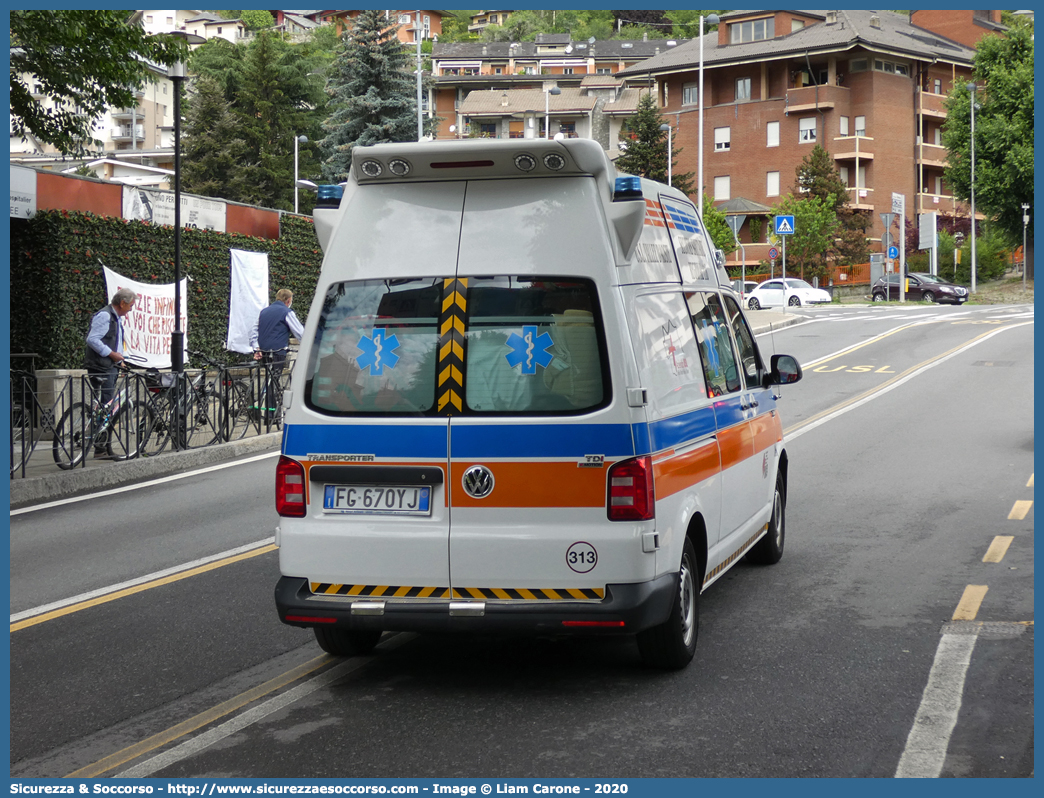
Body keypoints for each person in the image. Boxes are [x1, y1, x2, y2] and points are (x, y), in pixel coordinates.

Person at [84, 287, 137, 457]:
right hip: (101, 366)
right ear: (122, 303)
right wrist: (112, 355)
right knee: (107, 406)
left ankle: (101, 444)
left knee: (105, 405)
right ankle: (101, 447)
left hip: (108, 365)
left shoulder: (115, 317)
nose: (130, 310)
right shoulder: (105, 315)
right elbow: (92, 339)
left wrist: (120, 360)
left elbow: (114, 341)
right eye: (130, 306)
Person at [250, 289, 305, 415]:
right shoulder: (286, 312)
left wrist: (256, 348)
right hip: (278, 350)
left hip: (263, 350)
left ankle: (272, 410)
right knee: (274, 379)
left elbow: (254, 331)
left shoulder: (264, 312)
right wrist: (307, 344)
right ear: (288, 300)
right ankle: (271, 413)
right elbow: (300, 332)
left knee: (271, 379)